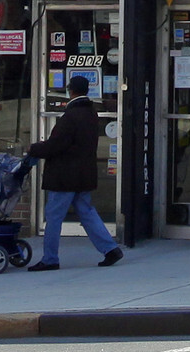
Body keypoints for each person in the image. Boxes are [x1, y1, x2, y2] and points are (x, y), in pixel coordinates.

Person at [25, 74, 122, 271]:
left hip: (64, 176)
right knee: (87, 212)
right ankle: (110, 249)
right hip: (84, 173)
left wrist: (34, 149)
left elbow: (56, 145)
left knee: (53, 217)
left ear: (71, 91)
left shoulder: (70, 116)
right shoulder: (91, 113)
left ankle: (50, 258)